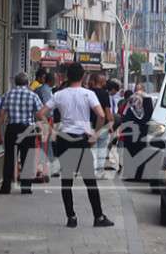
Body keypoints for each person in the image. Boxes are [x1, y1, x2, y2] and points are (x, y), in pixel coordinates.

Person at [36, 63, 115, 228]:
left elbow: (40, 113)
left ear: (67, 76)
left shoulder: (59, 95)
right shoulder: (88, 94)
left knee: (67, 181)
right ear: (83, 76)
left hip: (64, 139)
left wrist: (51, 131)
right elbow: (101, 115)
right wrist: (94, 135)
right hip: (81, 140)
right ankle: (98, 217)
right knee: (89, 180)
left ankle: (71, 217)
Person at [0, 72, 44, 195]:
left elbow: (1, 114)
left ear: (15, 82)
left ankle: (6, 187)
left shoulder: (7, 94)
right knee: (27, 158)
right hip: (28, 129)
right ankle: (26, 187)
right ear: (27, 83)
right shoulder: (33, 95)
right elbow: (40, 114)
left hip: (12, 129)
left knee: (9, 158)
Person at [88, 73, 114, 178]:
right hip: (103, 124)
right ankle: (99, 172)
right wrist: (111, 124)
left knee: (93, 149)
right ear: (101, 82)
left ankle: (92, 171)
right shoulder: (104, 94)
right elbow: (107, 111)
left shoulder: (89, 92)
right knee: (102, 149)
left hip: (90, 124)